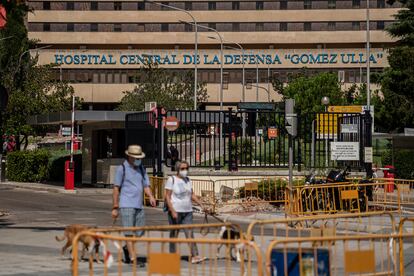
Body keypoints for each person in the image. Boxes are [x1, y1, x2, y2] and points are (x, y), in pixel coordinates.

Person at [112, 145, 156, 264]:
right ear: (129, 156)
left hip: (138, 205)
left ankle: (127, 247)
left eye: (139, 157)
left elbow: (146, 185)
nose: (138, 159)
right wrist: (115, 206)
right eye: (135, 157)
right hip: (126, 204)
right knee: (129, 232)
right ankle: (132, 257)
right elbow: (116, 188)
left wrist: (151, 196)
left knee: (140, 230)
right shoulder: (122, 169)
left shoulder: (141, 168)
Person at [164, 160, 206, 264]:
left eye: (186, 168)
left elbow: (192, 194)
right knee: (174, 234)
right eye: (183, 168)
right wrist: (172, 210)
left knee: (190, 233)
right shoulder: (171, 179)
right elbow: (167, 197)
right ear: (178, 169)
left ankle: (195, 255)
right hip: (176, 211)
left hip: (188, 211)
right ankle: (172, 256)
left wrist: (200, 204)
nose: (185, 170)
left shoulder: (188, 180)